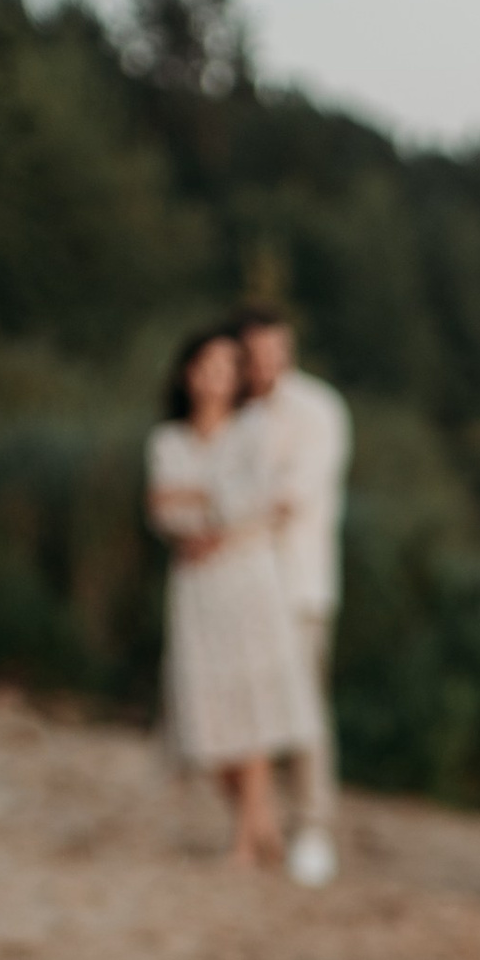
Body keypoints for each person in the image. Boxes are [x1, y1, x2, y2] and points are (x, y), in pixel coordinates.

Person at [146, 324, 321, 870]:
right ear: (187, 373)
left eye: (227, 368)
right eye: (207, 366)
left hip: (247, 580)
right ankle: (262, 823)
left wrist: (201, 503)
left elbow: (266, 501)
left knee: (252, 707)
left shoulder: (254, 430)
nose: (216, 378)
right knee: (208, 711)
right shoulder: (167, 440)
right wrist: (209, 508)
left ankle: (246, 841)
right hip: (198, 587)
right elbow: (161, 510)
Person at [235, 308, 352, 889]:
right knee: (241, 708)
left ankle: (313, 828)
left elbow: (291, 496)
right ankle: (257, 824)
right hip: (236, 584)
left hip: (298, 584)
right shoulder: (232, 409)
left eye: (274, 353)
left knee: (303, 710)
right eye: (254, 355)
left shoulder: (319, 411)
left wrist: (223, 515)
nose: (265, 366)